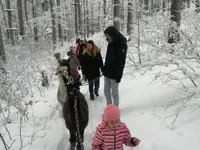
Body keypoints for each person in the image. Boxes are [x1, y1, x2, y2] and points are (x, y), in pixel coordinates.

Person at [103, 26, 128, 107]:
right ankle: (109, 108)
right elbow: (108, 58)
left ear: (112, 34)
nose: (106, 37)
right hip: (107, 72)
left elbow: (121, 62)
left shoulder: (122, 44)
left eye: (107, 35)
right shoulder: (110, 42)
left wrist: (119, 75)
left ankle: (115, 110)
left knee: (114, 93)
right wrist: (104, 68)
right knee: (106, 91)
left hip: (115, 74)